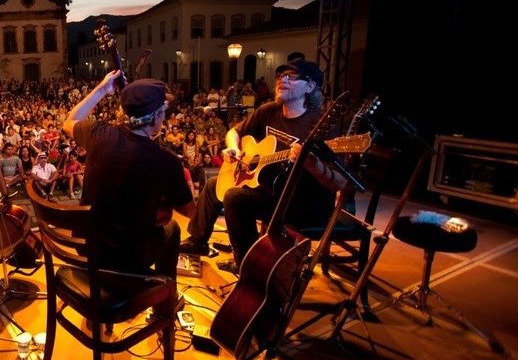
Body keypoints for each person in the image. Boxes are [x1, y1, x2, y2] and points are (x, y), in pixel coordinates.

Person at [180, 61, 346, 273]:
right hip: (269, 187)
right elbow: (234, 133)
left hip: (299, 202)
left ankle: (248, 265)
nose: (282, 79)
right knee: (214, 184)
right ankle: (198, 240)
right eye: (280, 75)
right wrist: (234, 149)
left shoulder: (320, 125)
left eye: (292, 76)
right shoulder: (269, 111)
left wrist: (312, 164)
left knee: (234, 197)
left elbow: (340, 181)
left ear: (310, 86)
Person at [62, 72, 195, 324]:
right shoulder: (166, 161)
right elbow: (190, 212)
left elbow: (70, 119)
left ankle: (100, 296)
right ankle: (163, 307)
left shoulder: (98, 134)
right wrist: (187, 184)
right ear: (155, 118)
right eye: (163, 112)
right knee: (173, 229)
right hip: (126, 264)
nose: (165, 117)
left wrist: (101, 88)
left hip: (86, 252)